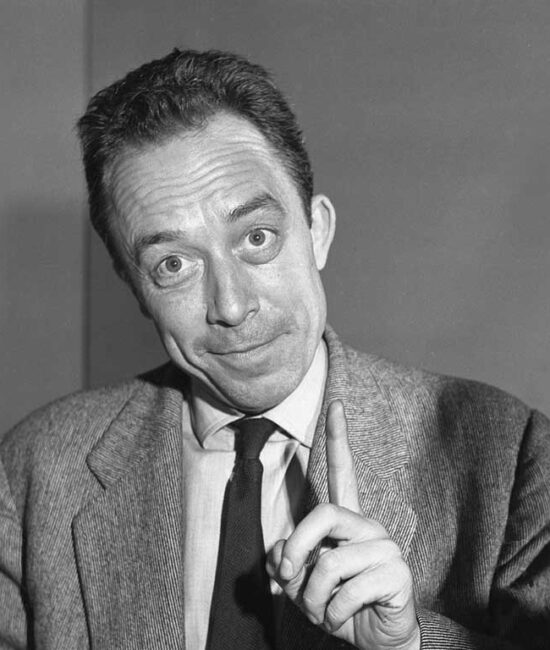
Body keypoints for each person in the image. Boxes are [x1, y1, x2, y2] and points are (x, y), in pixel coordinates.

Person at [0, 49, 548, 650]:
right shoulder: (32, 471)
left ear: (318, 231)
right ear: (134, 287)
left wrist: (409, 645)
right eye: (173, 265)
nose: (231, 306)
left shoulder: (511, 454)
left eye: (257, 237)